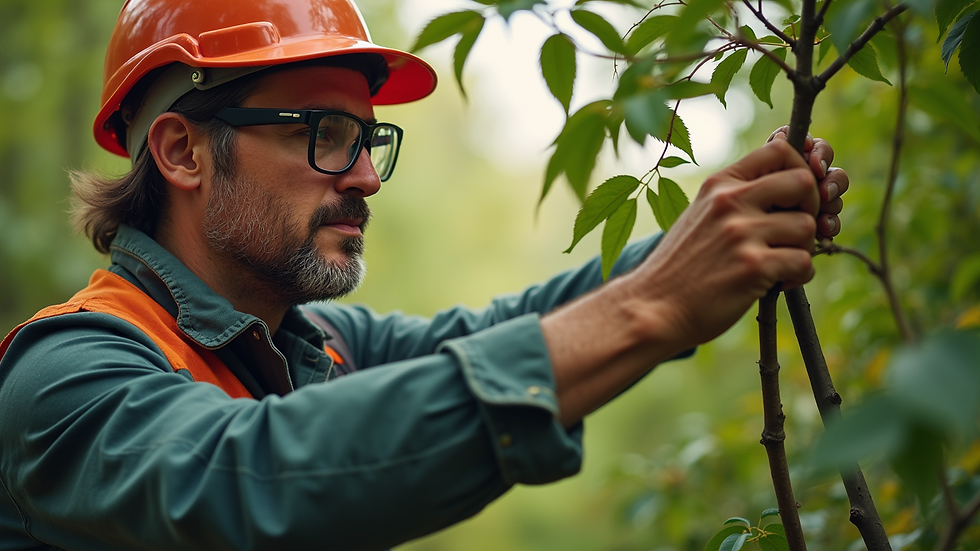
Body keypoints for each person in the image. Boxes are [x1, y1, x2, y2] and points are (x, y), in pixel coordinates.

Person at [0, 0, 849, 549]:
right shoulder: (67, 377)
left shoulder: (313, 349)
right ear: (183, 152)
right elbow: (247, 481)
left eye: (368, 141)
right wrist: (654, 305)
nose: (365, 176)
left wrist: (715, 233)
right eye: (324, 133)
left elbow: (501, 334)